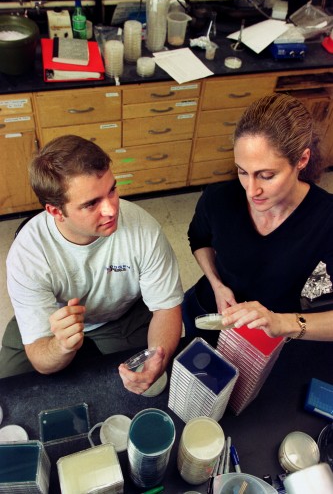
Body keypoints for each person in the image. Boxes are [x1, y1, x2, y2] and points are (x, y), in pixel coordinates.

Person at [1, 135, 183, 393]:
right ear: (55, 211)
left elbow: (166, 309)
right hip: (53, 321)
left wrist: (156, 359)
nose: (111, 209)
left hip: (121, 316)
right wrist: (61, 345)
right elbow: (42, 359)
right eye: (91, 203)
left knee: (140, 384)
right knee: (11, 388)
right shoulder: (27, 255)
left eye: (112, 190)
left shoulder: (144, 229)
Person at [183, 93, 333, 343]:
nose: (251, 191)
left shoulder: (326, 219)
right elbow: (199, 239)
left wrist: (282, 322)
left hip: (269, 333)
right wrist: (217, 283)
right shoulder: (219, 198)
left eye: (266, 175)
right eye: (243, 171)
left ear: (302, 160)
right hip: (209, 311)